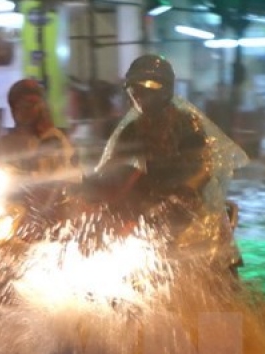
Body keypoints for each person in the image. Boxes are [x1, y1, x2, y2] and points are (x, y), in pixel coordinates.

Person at [85, 54, 247, 266]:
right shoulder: (133, 129)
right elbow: (113, 165)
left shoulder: (187, 124)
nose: (139, 97)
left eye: (145, 91)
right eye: (135, 91)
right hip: (152, 204)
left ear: (162, 91)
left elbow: (203, 167)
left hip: (188, 206)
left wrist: (184, 191)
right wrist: (90, 186)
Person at [0, 78, 78, 178]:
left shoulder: (54, 138)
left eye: (32, 104)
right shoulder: (5, 143)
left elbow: (66, 172)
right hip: (16, 192)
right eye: (20, 105)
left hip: (52, 191)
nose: (25, 109)